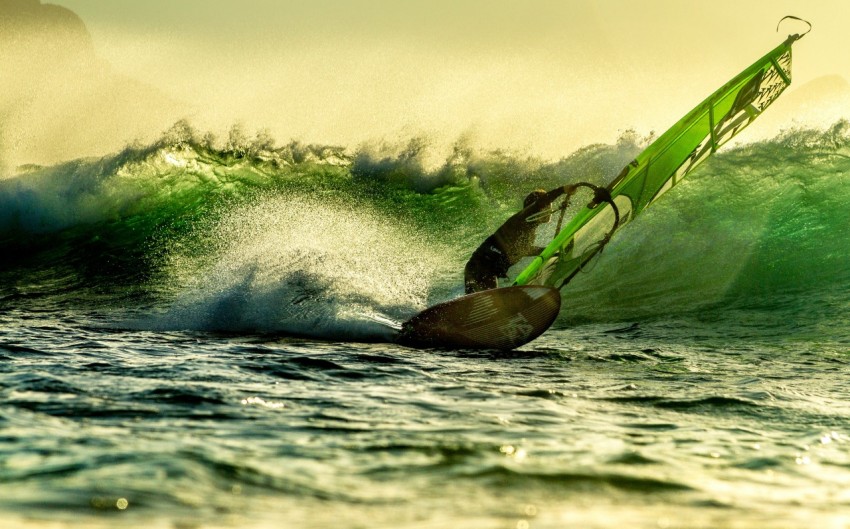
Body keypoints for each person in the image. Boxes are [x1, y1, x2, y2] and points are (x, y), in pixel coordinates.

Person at [464, 186, 573, 294]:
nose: (550, 209)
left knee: (486, 305)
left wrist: (555, 252)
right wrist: (563, 190)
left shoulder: (529, 227)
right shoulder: (523, 219)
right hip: (480, 266)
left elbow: (524, 250)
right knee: (491, 302)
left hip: (485, 269)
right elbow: (541, 202)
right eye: (548, 206)